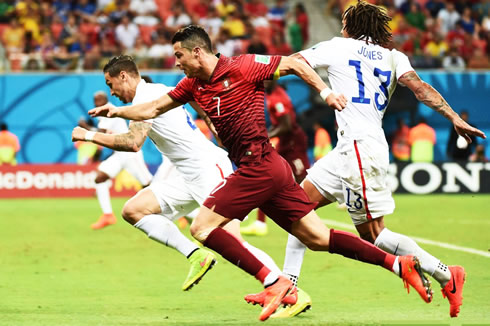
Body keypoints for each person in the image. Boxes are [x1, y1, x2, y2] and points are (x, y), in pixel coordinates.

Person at [89, 25, 434, 322]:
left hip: (260, 167)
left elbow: (295, 63)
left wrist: (326, 91)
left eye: (179, 56)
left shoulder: (244, 65)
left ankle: (275, 282)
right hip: (270, 170)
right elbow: (151, 107)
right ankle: (397, 264)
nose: (175, 63)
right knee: (318, 238)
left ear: (197, 52)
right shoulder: (191, 86)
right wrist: (117, 110)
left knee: (202, 227)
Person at [276, 1, 486, 318]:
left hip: (360, 148)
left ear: (351, 26)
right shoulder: (394, 56)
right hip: (353, 147)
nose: (340, 25)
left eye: (344, 20)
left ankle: (446, 273)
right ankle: (288, 289)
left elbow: (291, 63)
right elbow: (420, 89)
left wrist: (250, 69)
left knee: (375, 236)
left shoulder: (337, 47)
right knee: (296, 209)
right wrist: (453, 116)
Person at [72, 55, 286, 293]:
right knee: (134, 210)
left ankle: (283, 287)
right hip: (186, 176)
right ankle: (196, 256)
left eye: (110, 84)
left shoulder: (146, 96)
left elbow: (133, 142)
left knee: (232, 239)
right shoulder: (158, 89)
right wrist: (210, 122)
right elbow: (193, 96)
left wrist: (88, 136)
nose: (111, 92)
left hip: (207, 170)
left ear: (123, 76)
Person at [241, 80, 310, 237]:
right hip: (286, 142)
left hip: (293, 142)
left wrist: (265, 136)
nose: (263, 83)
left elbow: (286, 126)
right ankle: (260, 223)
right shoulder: (272, 94)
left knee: (304, 179)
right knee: (267, 175)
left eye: (266, 79)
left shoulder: (279, 98)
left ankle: (313, 213)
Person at [86, 91, 153, 230]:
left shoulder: (109, 112)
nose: (95, 103)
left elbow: (101, 133)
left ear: (105, 100)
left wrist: (85, 129)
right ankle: (108, 215)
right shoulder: (102, 114)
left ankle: (179, 213)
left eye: (98, 100)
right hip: (119, 154)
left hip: (130, 153)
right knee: (100, 178)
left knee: (148, 185)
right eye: (94, 100)